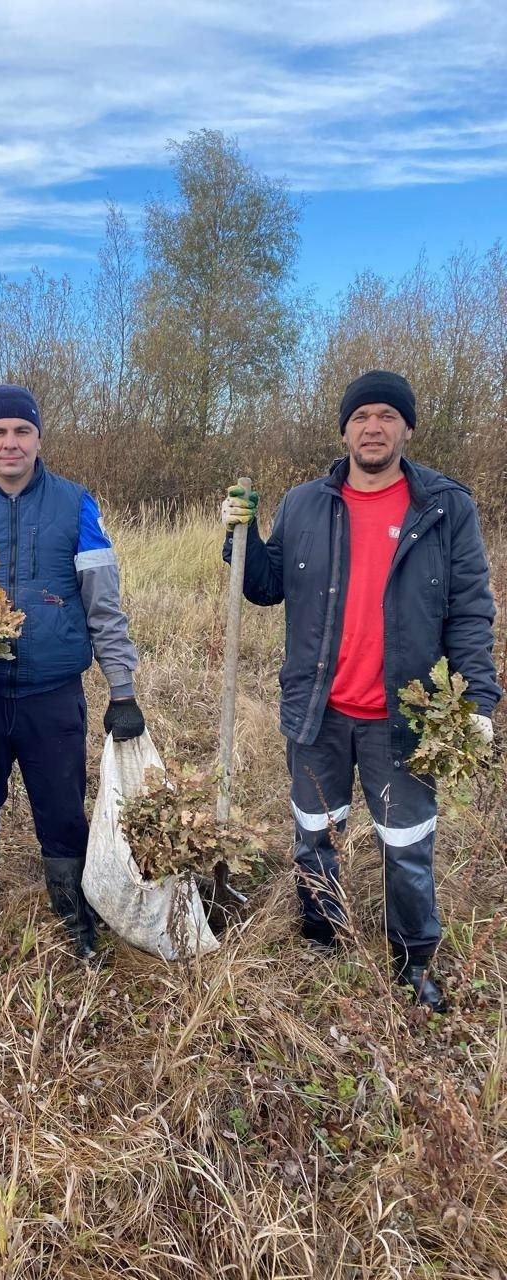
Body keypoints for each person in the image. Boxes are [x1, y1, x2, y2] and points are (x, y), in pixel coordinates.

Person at [221, 370, 500, 1012]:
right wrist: (240, 533)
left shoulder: (445, 507)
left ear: (406, 426)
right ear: (344, 428)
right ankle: (323, 934)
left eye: (386, 416)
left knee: (405, 846)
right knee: (315, 831)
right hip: (318, 709)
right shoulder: (304, 504)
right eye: (360, 416)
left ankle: (413, 960)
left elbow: (470, 612)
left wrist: (478, 703)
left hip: (402, 718)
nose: (372, 427)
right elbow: (263, 586)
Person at [0, 383, 145, 971]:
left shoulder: (74, 506)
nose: (9, 443)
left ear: (38, 438)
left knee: (64, 811)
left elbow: (103, 604)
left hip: (52, 695)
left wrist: (123, 690)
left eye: (21, 431)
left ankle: (75, 917)